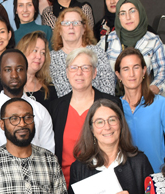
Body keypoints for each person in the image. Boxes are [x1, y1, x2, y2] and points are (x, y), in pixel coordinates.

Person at [48, 47, 122, 184]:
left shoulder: (111, 104)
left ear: (94, 73)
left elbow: (121, 145)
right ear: (67, 73)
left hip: (102, 183)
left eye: (85, 68)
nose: (79, 73)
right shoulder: (55, 108)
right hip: (63, 184)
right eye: (74, 68)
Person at [0, 98, 66, 194]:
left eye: (28, 117)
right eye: (14, 119)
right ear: (2, 125)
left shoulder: (50, 160)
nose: (22, 124)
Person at [0, 49, 55, 158]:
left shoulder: (40, 111)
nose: (14, 75)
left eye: (19, 69)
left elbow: (49, 156)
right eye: (8, 70)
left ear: (26, 72)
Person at [69, 99, 154, 194]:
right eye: (99, 122)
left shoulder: (140, 162)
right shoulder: (78, 168)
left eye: (112, 120)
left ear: (121, 124)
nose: (107, 127)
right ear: (91, 130)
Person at [115, 48, 165, 172]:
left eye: (136, 67)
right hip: (125, 179)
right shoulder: (114, 108)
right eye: (126, 69)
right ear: (119, 75)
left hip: (157, 177)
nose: (131, 74)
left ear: (144, 71)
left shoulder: (161, 104)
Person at [99, 0, 165, 95]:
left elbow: (164, 73)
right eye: (123, 13)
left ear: (140, 12)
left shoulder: (153, 40)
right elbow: (94, 70)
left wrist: (151, 91)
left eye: (132, 11)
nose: (128, 17)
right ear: (118, 17)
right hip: (113, 102)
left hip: (144, 101)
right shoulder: (108, 40)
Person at [50, 8, 115, 97]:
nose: (71, 27)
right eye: (66, 23)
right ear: (60, 30)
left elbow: (108, 89)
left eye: (76, 23)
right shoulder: (51, 59)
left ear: (84, 28)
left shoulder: (97, 53)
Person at [0, 31, 58, 110]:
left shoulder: (49, 88)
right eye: (35, 51)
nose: (39, 56)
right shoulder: (4, 84)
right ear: (23, 51)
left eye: (43, 53)